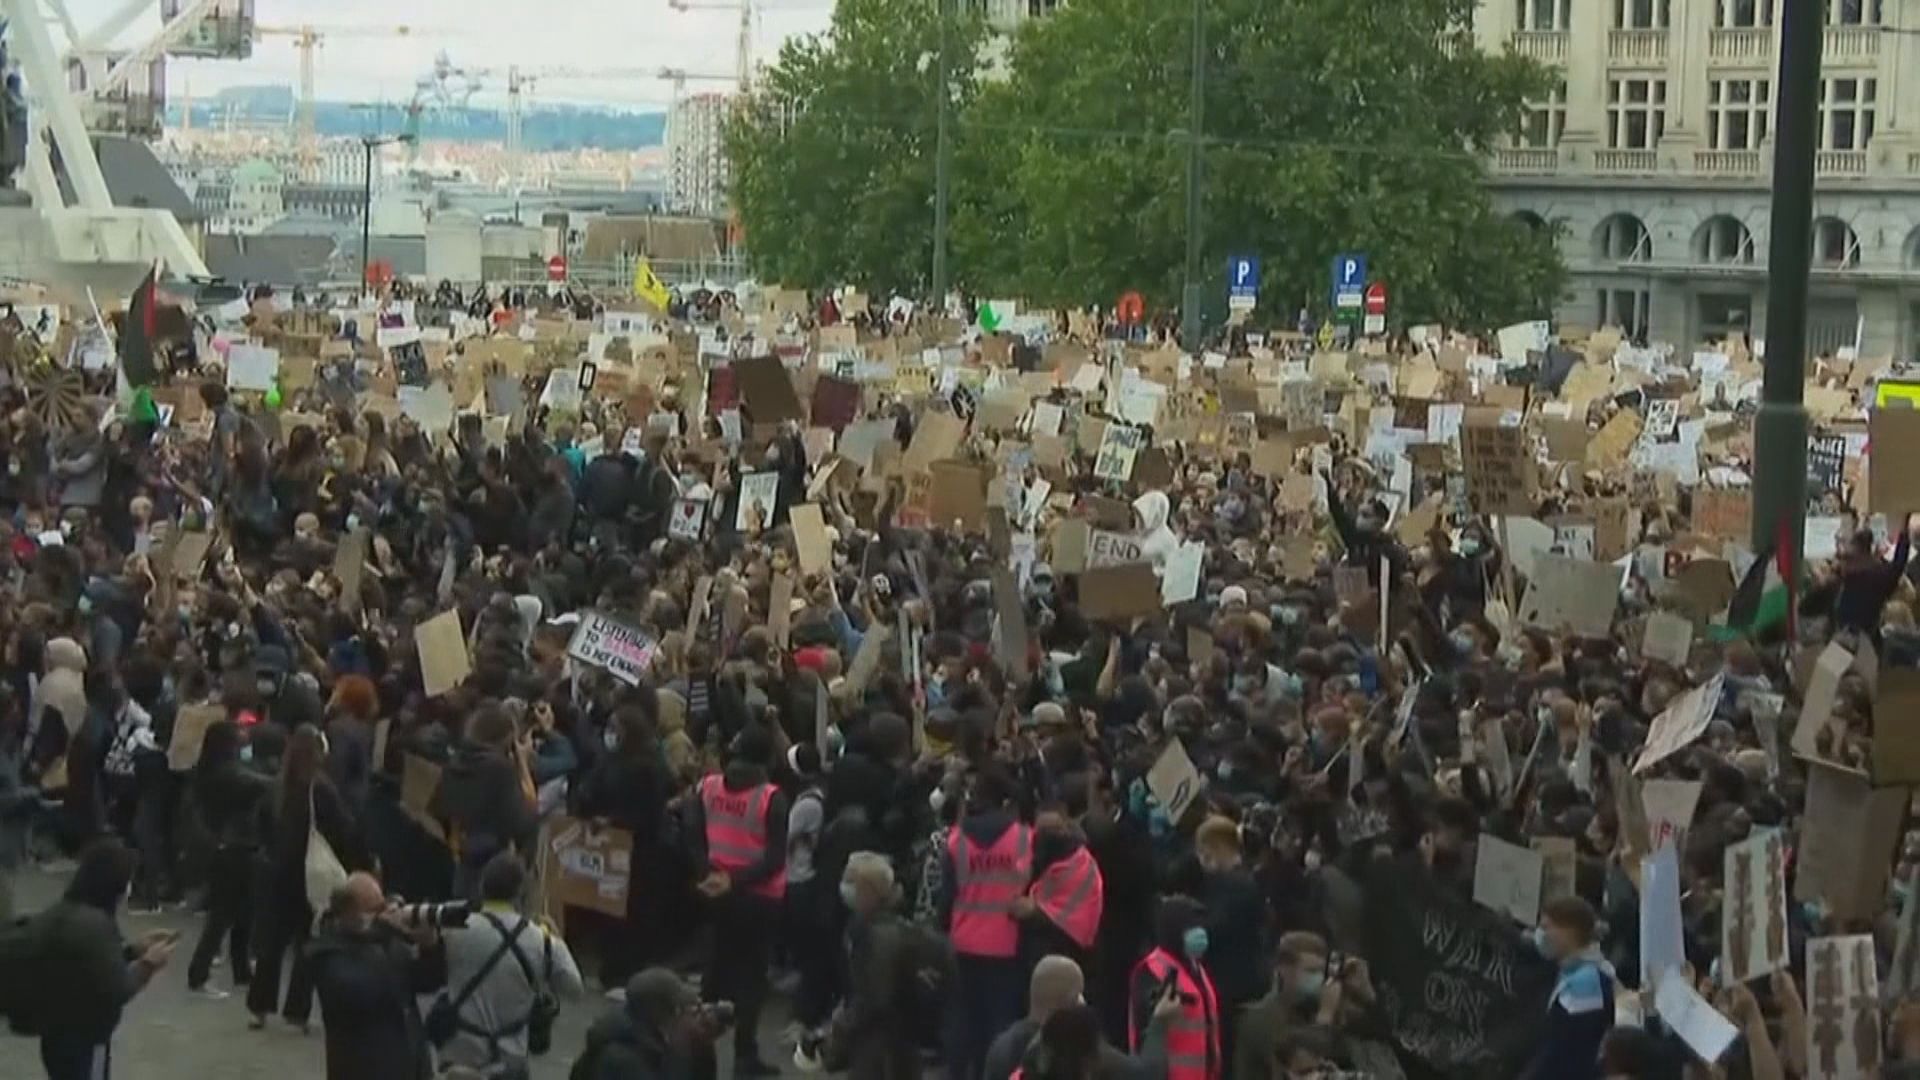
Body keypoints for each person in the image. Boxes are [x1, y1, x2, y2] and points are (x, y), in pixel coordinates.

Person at [687, 722, 789, 1075]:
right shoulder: (771, 798)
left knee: (715, 968)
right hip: (758, 896)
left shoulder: (709, 786)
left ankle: (695, 1043)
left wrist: (709, 875)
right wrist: (733, 880)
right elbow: (775, 857)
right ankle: (745, 1054)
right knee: (751, 976)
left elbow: (694, 836)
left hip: (715, 890)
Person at [248, 722, 362, 1031]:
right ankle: (297, 1011)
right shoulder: (320, 787)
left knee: (271, 944)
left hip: (277, 874)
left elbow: (261, 825)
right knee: (308, 943)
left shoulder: (278, 785)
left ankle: (259, 1006)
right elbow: (343, 828)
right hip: (309, 876)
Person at [32, 838, 176, 1080]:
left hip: (58, 1036)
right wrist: (148, 965)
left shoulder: (71, 914)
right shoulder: (94, 928)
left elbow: (92, 967)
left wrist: (133, 951)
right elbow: (114, 988)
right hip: (83, 1039)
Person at [435, 851, 585, 1079]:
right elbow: (574, 989)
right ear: (521, 893)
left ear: (483, 886)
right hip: (510, 1059)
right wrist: (557, 938)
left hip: (460, 1053)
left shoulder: (454, 927)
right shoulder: (542, 941)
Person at [306, 872, 448, 1080]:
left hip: (410, 1065)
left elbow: (427, 981)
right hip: (364, 1068)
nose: (384, 914)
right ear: (348, 912)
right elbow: (363, 990)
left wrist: (431, 947)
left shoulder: (388, 944)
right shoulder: (327, 953)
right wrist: (383, 932)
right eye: (374, 909)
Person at [942, 767, 1033, 1080]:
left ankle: (956, 1073)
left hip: (964, 939)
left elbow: (947, 896)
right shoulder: (1024, 838)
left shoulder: (955, 839)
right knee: (1000, 1023)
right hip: (1006, 942)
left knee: (964, 1018)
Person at [186, 718, 269, 996]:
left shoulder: (207, 770)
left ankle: (241, 971)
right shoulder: (230, 775)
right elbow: (262, 784)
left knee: (242, 912)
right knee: (223, 916)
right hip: (234, 848)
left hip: (225, 847)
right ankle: (199, 973)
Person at [828, 850, 920, 1080]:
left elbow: (875, 995)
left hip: (882, 1044)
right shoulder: (869, 925)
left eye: (851, 881)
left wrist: (844, 1023)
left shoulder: (879, 936)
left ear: (869, 891)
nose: (845, 887)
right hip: (889, 1039)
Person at [1519, 896, 1614, 1080]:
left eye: (1546, 928)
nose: (1540, 935)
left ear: (1569, 932)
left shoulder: (1586, 983)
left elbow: (1568, 1047)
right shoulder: (1573, 970)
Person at [572, 968, 726, 1080]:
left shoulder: (660, 1043)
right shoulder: (624, 1060)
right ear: (665, 1017)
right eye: (690, 1011)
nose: (697, 1017)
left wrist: (704, 1047)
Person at [1129, 896, 1221, 1080]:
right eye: (1191, 926)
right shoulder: (1152, 970)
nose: (1200, 932)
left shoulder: (1196, 968)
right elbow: (1146, 1027)